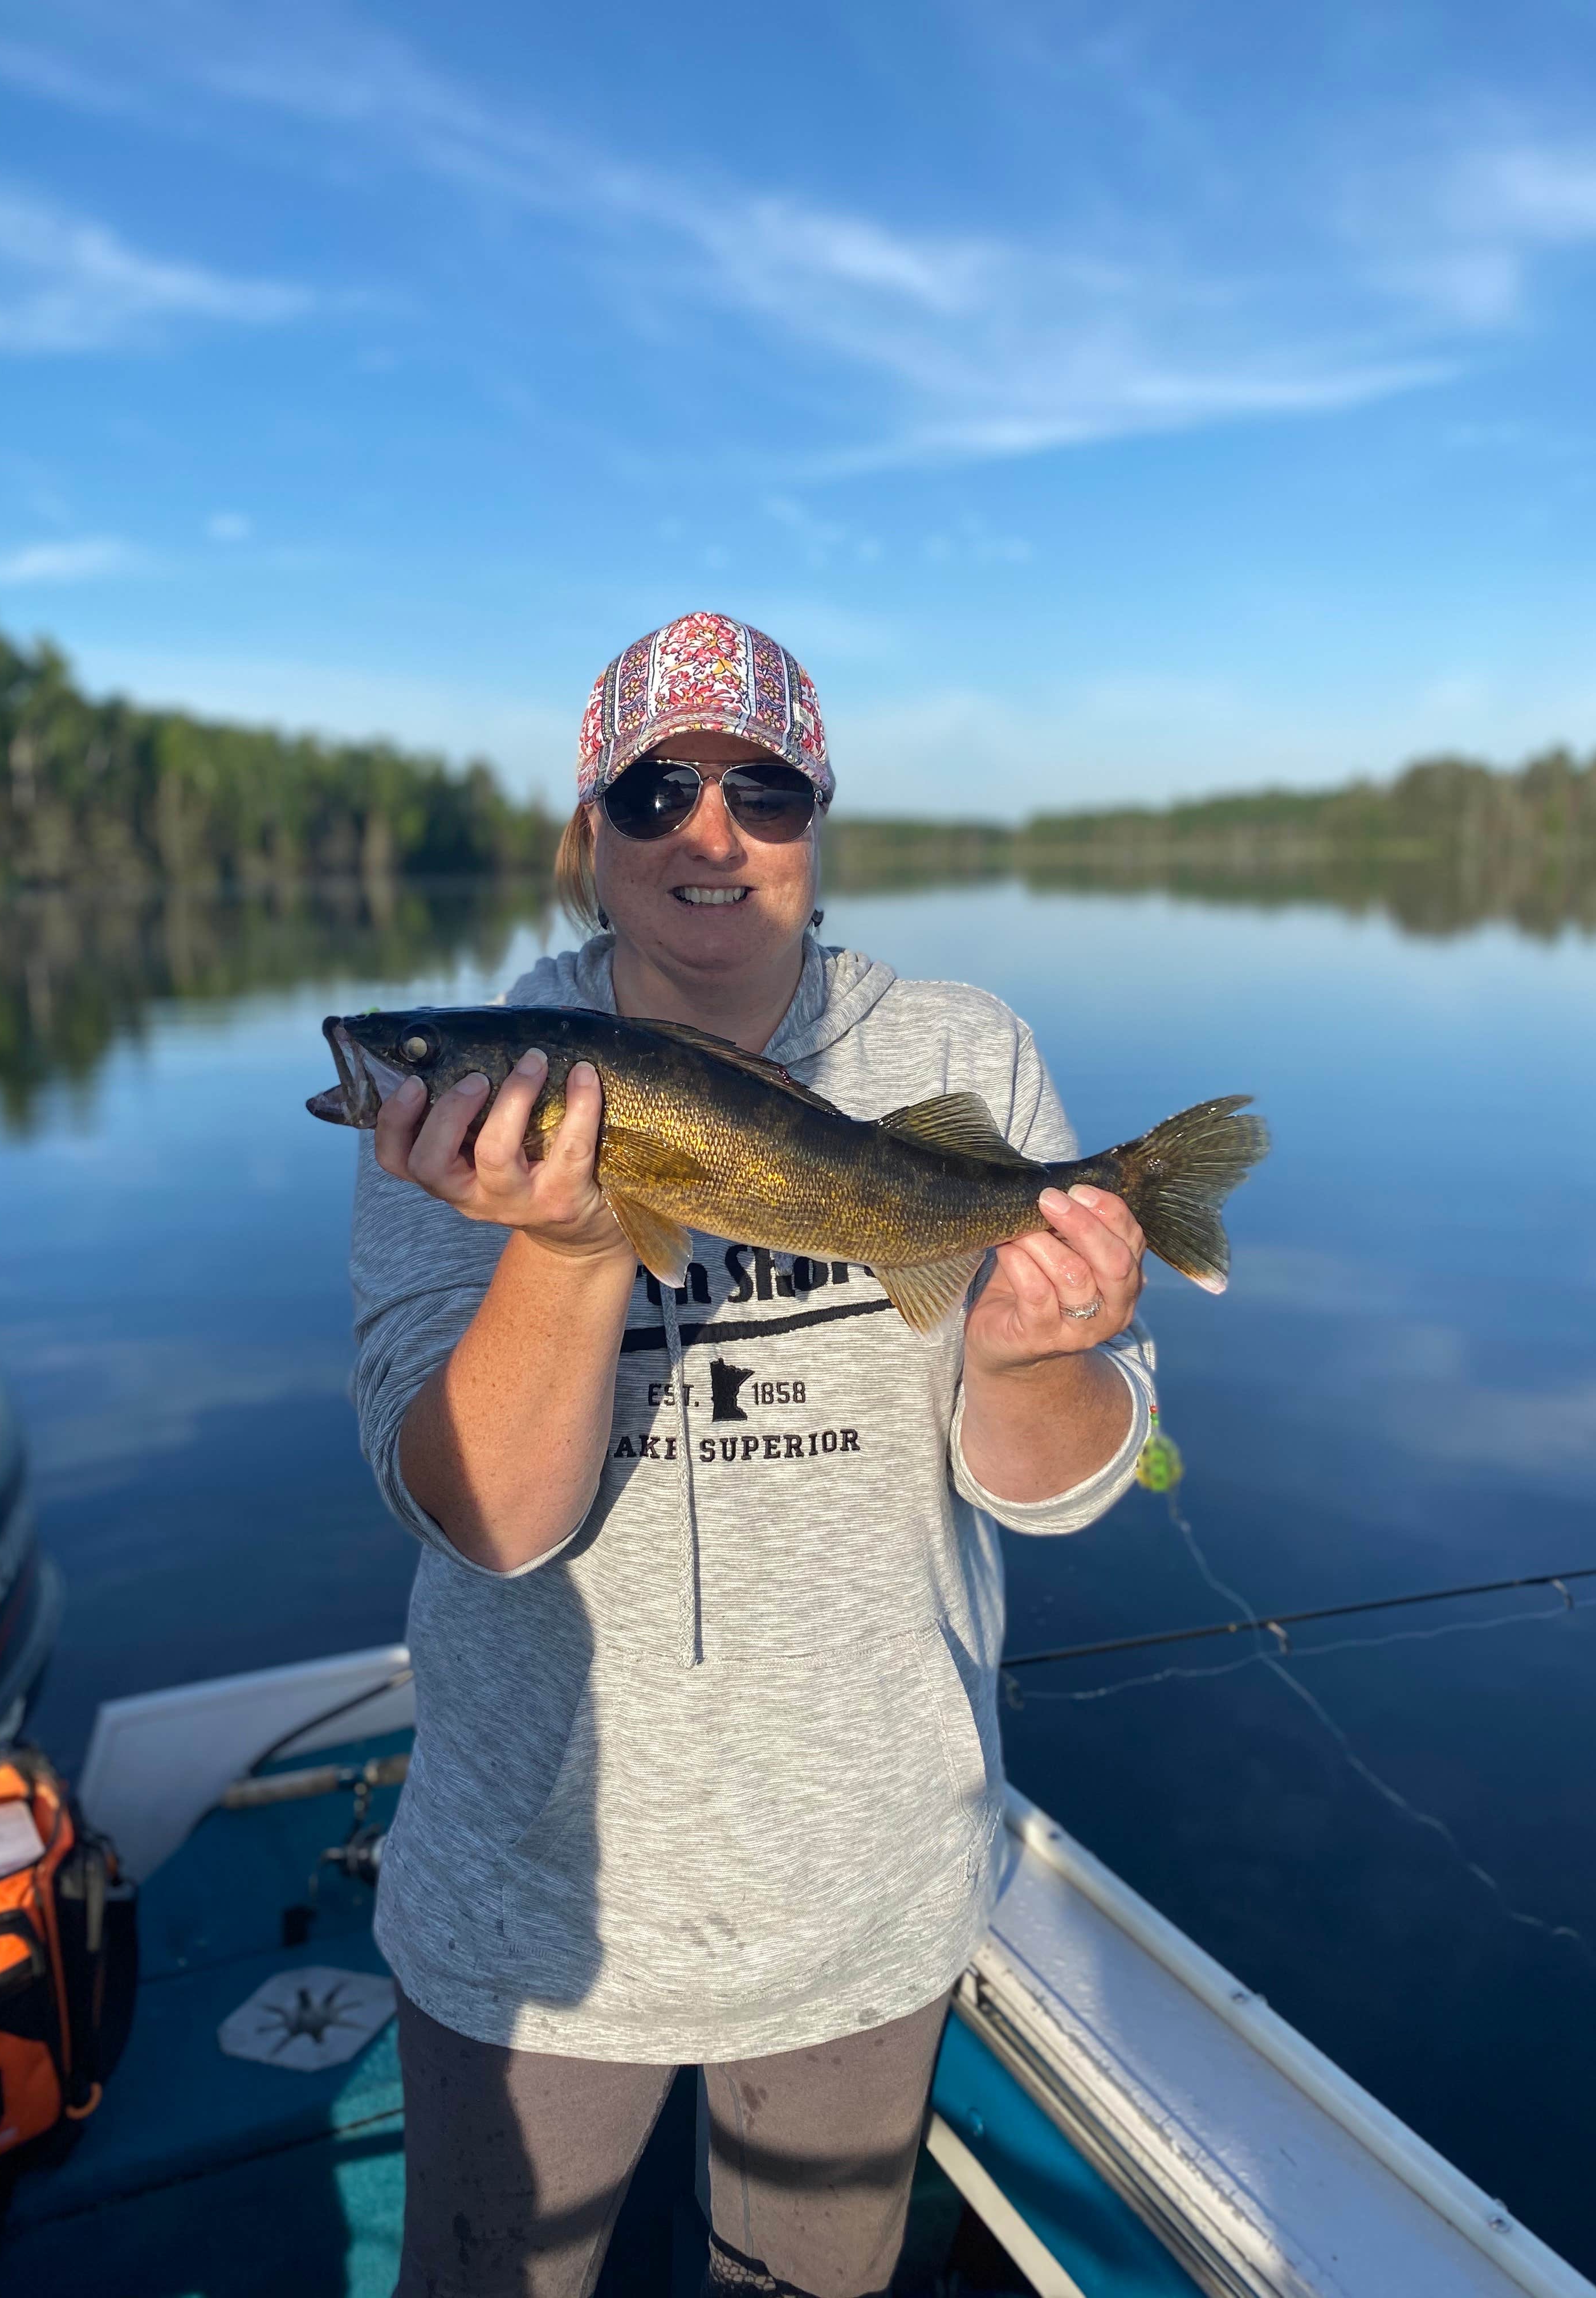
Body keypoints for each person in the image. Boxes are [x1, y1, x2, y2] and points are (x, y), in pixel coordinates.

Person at [350, 610, 1155, 2298]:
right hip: (535, 1914)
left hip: (862, 1899)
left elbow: (1060, 1481)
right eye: (655, 792)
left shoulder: (957, 1057)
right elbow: (485, 1527)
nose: (709, 834)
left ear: (817, 819)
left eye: (764, 791)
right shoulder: (478, 1107)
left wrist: (1029, 1353)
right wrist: (567, 1250)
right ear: (591, 833)